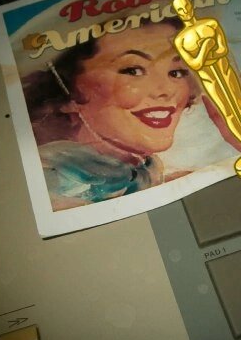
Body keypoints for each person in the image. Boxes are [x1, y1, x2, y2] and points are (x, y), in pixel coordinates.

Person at [23, 18, 199, 210]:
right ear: (67, 89)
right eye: (133, 70)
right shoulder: (49, 183)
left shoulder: (147, 170)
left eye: (176, 72)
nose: (166, 90)